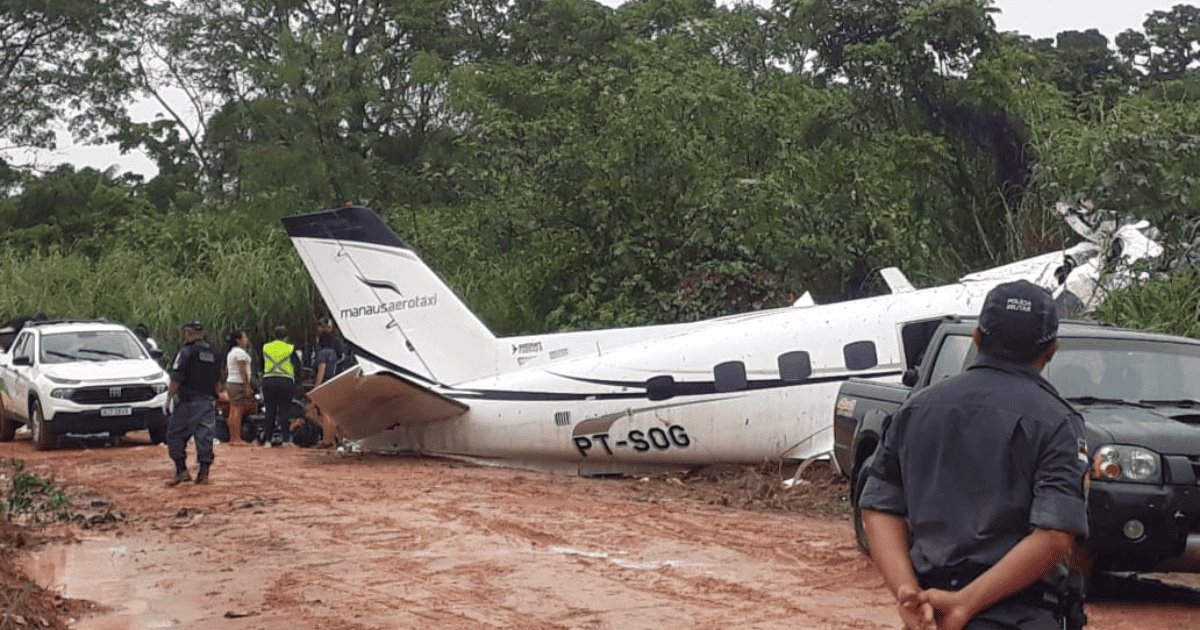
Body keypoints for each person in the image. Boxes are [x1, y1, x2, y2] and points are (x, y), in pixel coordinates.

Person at [859, 280, 1090, 630]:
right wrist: (965, 604)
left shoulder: (917, 409)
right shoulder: (1058, 422)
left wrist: (906, 592)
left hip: (931, 616)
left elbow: (878, 506)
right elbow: (1055, 537)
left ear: (977, 338)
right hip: (1019, 616)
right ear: (1051, 350)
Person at [165, 320, 223, 486]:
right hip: (207, 401)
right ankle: (204, 474)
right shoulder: (215, 353)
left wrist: (169, 398)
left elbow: (177, 377)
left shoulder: (186, 351)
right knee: (205, 436)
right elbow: (218, 381)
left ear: (187, 333)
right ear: (203, 333)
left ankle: (181, 471)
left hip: (188, 402)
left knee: (175, 434)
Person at [261, 325, 301, 446]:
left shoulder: (266, 347)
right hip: (285, 381)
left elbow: (261, 364)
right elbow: (297, 366)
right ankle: (285, 439)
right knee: (284, 410)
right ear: (286, 337)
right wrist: (297, 382)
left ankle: (268, 440)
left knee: (269, 411)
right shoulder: (290, 348)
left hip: (269, 380)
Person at [223, 330, 256, 445]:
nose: (246, 339)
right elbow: (242, 370)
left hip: (231, 382)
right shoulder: (240, 353)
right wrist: (247, 385)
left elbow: (227, 370)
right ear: (238, 340)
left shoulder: (231, 352)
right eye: (245, 337)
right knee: (238, 409)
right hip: (238, 383)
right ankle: (236, 438)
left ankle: (233, 437)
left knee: (233, 409)